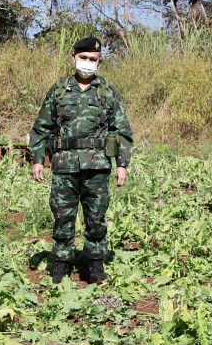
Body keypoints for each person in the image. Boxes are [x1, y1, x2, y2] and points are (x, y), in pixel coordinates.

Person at [28, 37, 133, 284]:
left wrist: (121, 164)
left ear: (99, 62)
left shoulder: (107, 91)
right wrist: (37, 160)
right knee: (62, 215)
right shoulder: (59, 89)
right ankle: (61, 263)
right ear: (73, 58)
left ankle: (94, 264)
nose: (87, 63)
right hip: (64, 165)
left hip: (97, 166)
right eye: (83, 58)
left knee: (96, 217)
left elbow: (121, 130)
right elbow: (41, 127)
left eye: (93, 60)